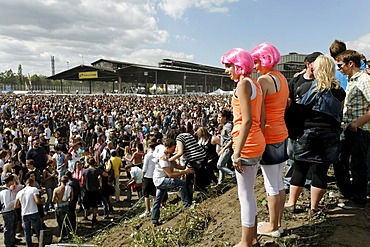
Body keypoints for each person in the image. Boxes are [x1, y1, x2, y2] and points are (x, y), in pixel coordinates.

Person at [285, 55, 345, 214]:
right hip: (330, 135)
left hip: (307, 133)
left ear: (316, 68)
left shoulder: (307, 87)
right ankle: (314, 208)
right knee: (321, 171)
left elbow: (298, 110)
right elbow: (339, 112)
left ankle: (291, 203)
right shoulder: (339, 91)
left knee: (300, 168)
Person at [221, 48, 266, 247]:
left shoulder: (242, 85)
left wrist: (237, 152)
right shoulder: (255, 83)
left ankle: (245, 242)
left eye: (228, 66)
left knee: (245, 195)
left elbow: (246, 120)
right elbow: (261, 119)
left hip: (246, 144)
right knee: (249, 193)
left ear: (238, 64)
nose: (226, 70)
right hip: (255, 140)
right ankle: (253, 237)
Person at [250, 42, 289, 237]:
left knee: (271, 185)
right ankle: (277, 222)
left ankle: (273, 227)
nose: (254, 66)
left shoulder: (264, 80)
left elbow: (261, 115)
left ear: (265, 60)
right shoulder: (281, 78)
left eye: (256, 61)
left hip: (269, 135)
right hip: (282, 133)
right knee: (278, 182)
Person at [335, 50, 370, 209]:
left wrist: (356, 124)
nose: (339, 68)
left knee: (357, 165)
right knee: (342, 161)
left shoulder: (364, 80)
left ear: (351, 64)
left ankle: (359, 199)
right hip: (349, 128)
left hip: (360, 130)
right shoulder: (351, 79)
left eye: (340, 65)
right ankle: (349, 193)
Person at [284, 52, 322, 191]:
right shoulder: (295, 81)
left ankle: (306, 183)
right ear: (308, 64)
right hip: (295, 126)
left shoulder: (320, 82)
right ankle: (288, 182)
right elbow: (288, 100)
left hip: (311, 127)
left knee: (310, 158)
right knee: (292, 156)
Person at [151, 139, 194, 226]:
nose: (174, 151)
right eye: (173, 149)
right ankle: (186, 205)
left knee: (158, 200)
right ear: (168, 147)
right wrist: (185, 172)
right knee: (181, 183)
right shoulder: (163, 158)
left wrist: (184, 168)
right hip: (161, 180)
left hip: (159, 179)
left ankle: (154, 220)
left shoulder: (165, 152)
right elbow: (170, 175)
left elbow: (174, 165)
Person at [14, 178, 44, 247]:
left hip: (24, 213)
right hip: (33, 212)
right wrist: (42, 200)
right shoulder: (34, 189)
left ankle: (29, 245)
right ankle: (41, 244)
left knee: (27, 232)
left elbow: (16, 206)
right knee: (38, 230)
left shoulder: (19, 192)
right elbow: (37, 201)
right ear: (32, 183)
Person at [82, 157, 108, 223]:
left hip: (87, 190)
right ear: (94, 163)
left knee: (87, 204)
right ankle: (94, 217)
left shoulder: (85, 171)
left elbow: (82, 182)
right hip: (95, 190)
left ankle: (85, 216)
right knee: (95, 205)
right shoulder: (97, 170)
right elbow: (106, 174)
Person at [216, 109, 235, 185]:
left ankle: (233, 174)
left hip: (227, 149)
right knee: (222, 165)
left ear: (225, 117)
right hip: (224, 148)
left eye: (220, 117)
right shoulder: (224, 126)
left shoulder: (228, 126)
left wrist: (223, 149)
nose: (218, 119)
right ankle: (220, 182)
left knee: (219, 165)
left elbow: (232, 139)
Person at [140, 140, 158, 218]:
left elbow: (145, 167)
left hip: (147, 176)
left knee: (146, 195)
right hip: (155, 175)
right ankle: (155, 209)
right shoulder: (156, 154)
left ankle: (147, 210)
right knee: (154, 194)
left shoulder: (148, 155)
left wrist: (142, 175)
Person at [52, 175, 73, 240]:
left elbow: (53, 200)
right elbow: (71, 198)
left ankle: (62, 235)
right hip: (66, 205)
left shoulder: (56, 190)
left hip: (59, 206)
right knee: (67, 220)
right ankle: (69, 234)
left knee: (60, 222)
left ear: (61, 181)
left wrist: (58, 200)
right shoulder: (70, 188)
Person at [0, 175, 18, 247]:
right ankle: (8, 244)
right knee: (8, 228)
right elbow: (7, 204)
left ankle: (12, 240)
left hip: (10, 210)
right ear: (10, 181)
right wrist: (16, 201)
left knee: (13, 226)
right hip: (7, 211)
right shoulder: (6, 192)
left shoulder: (5, 189)